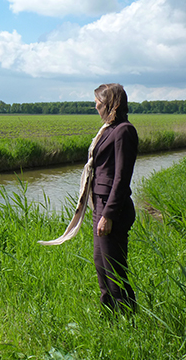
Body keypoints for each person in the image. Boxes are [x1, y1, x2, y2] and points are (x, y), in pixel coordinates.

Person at [91, 83, 138, 312]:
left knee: (114, 269)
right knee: (101, 265)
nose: (96, 105)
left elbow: (121, 177)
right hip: (100, 205)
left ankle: (129, 319)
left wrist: (108, 214)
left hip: (112, 209)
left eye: (99, 101)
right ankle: (109, 317)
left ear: (110, 103)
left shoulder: (124, 131)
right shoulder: (109, 130)